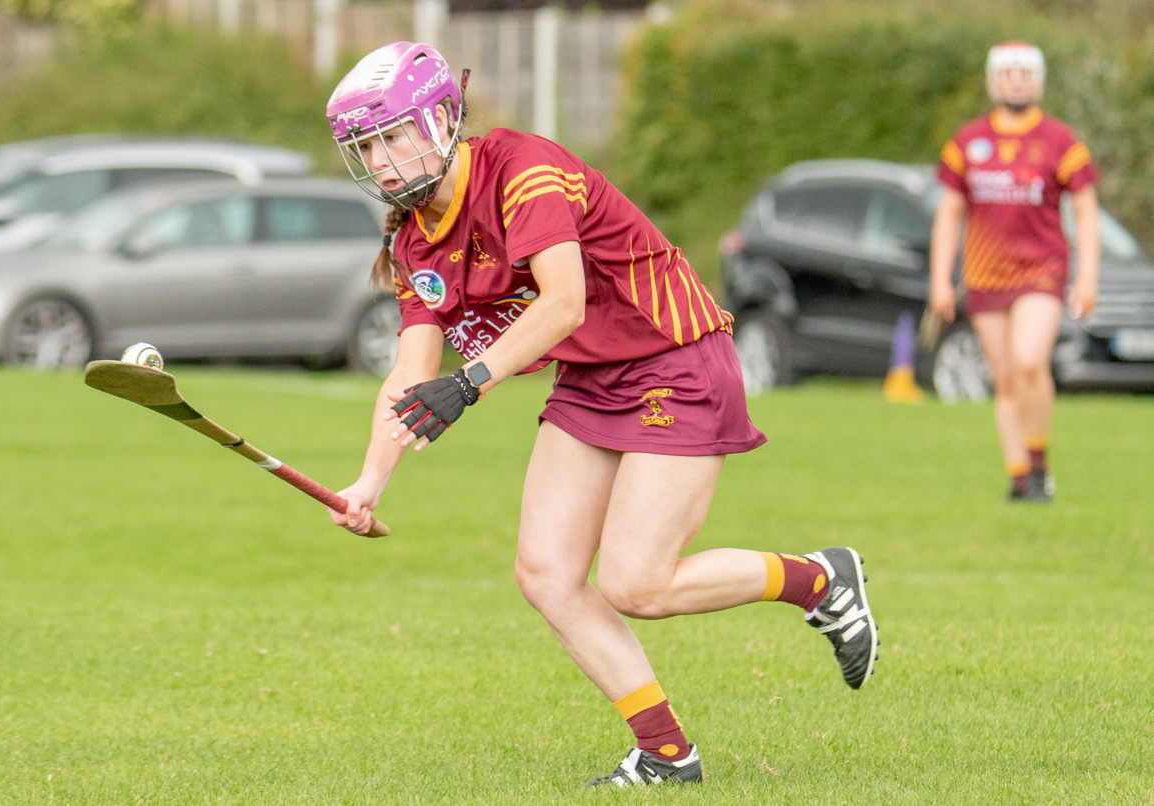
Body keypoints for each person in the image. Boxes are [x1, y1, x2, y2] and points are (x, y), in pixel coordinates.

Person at [323, 41, 879, 787]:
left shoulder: (522, 171)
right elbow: (411, 370)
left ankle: (817, 580)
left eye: (393, 136)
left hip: (674, 357)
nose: (385, 161)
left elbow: (564, 302)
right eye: (368, 146)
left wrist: (474, 380)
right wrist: (368, 483)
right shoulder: (415, 238)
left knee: (636, 585)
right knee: (546, 573)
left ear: (442, 119)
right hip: (591, 376)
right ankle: (666, 754)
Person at [929, 41, 1100, 502]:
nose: (1017, 81)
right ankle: (1020, 476)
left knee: (1029, 361)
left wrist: (1088, 278)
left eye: (1025, 73)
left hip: (1042, 270)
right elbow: (949, 213)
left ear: (1038, 81)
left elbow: (1085, 211)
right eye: (1008, 74)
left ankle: (1040, 461)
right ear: (994, 81)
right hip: (985, 275)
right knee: (1004, 377)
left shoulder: (1061, 140)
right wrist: (940, 280)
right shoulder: (967, 142)